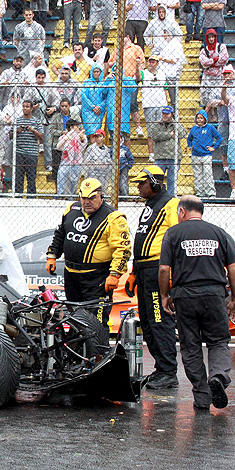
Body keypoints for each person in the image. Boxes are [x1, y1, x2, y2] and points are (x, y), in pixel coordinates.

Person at [159, 195, 235, 410]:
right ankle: (218, 377)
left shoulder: (173, 234)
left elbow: (164, 269)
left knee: (190, 347)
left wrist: (165, 295)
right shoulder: (219, 233)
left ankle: (202, 397)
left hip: (185, 296)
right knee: (219, 341)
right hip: (214, 294)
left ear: (182, 212)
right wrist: (234, 299)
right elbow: (233, 268)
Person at [46, 178, 131, 327]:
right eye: (84, 198)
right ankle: (78, 349)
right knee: (74, 318)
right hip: (71, 274)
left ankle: (97, 350)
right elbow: (60, 234)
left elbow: (122, 249)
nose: (87, 202)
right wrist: (52, 255)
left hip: (96, 278)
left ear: (101, 195)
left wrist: (115, 274)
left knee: (96, 322)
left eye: (92, 198)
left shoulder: (113, 217)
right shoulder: (71, 209)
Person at [125, 166, 179, 389]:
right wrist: (134, 272)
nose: (138, 187)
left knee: (159, 321)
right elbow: (142, 241)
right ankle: (161, 368)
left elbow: (176, 239)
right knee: (147, 322)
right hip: (145, 271)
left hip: (159, 270)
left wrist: (172, 274)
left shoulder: (171, 204)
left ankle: (168, 371)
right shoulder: (150, 206)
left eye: (142, 183)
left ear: (155, 183)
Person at [137, 55, 169, 163]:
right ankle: (151, 154)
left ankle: (160, 152)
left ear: (157, 63)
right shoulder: (144, 73)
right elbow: (138, 78)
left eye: (153, 62)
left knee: (161, 130)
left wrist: (166, 104)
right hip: (149, 104)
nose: (151, 64)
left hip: (161, 104)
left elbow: (165, 89)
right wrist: (138, 67)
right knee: (150, 130)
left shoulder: (162, 74)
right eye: (150, 62)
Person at [152, 106, 186, 196]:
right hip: (160, 156)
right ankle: (158, 196)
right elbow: (155, 136)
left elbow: (182, 134)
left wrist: (176, 122)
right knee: (157, 179)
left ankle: (171, 197)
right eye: (163, 113)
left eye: (167, 114)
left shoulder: (176, 124)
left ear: (172, 114)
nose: (165, 115)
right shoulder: (157, 124)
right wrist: (169, 135)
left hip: (173, 156)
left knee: (172, 180)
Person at [187, 109, 221, 197]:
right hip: (195, 155)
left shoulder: (210, 128)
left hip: (206, 155)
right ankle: (199, 193)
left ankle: (210, 193)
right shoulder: (194, 129)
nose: (199, 120)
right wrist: (190, 146)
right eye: (198, 118)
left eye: (201, 118)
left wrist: (214, 147)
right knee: (198, 176)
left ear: (205, 119)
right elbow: (189, 139)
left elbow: (219, 138)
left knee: (208, 175)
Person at [15, 99, 43, 194]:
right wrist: (16, 131)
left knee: (31, 180)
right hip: (19, 153)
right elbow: (10, 136)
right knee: (18, 179)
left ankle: (31, 198)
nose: (25, 109)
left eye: (27, 107)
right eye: (23, 107)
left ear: (31, 108)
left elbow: (42, 137)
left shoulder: (37, 121)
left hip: (32, 154)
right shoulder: (18, 120)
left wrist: (33, 130)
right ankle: (18, 199)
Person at [199, 29, 228, 113]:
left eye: (213, 37)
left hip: (219, 75)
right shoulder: (204, 50)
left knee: (217, 95)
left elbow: (224, 59)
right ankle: (209, 113)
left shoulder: (221, 47)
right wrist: (215, 60)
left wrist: (210, 62)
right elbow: (204, 63)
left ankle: (214, 113)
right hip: (208, 76)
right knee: (206, 95)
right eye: (209, 37)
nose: (211, 39)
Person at [81, 63, 106, 138]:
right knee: (91, 132)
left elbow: (106, 98)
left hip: (99, 111)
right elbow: (84, 96)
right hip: (88, 111)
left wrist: (100, 107)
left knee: (97, 133)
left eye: (97, 71)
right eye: (94, 71)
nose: (96, 73)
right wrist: (92, 107)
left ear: (100, 73)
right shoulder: (86, 82)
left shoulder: (103, 84)